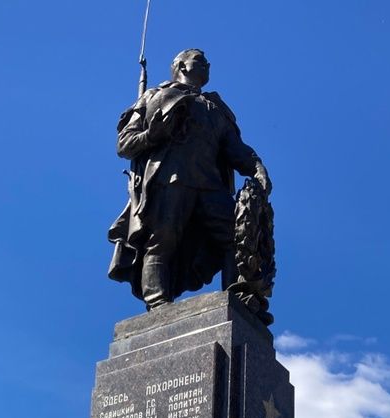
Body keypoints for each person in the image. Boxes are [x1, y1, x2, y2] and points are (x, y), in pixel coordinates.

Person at [108, 48, 271, 309]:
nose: (207, 64)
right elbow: (124, 144)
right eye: (199, 60)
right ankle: (158, 301)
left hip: (210, 186)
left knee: (236, 236)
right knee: (162, 239)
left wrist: (256, 167)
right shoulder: (155, 96)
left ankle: (237, 296)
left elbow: (234, 148)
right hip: (169, 179)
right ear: (181, 67)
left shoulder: (216, 107)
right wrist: (152, 135)